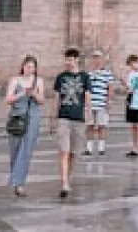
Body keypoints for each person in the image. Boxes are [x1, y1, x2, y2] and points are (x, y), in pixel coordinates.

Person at [53, 48, 91, 199]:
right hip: (63, 117)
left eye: (70, 59)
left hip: (78, 118)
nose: (67, 62)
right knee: (64, 151)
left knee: (73, 153)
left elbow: (87, 97)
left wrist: (89, 115)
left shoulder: (85, 77)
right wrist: (53, 117)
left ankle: (68, 177)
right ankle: (64, 183)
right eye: (66, 59)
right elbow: (57, 98)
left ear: (76, 60)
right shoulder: (60, 77)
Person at [4, 55, 44, 198]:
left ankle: (19, 183)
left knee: (26, 150)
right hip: (17, 117)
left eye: (33, 67)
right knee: (15, 150)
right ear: (23, 66)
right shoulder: (15, 80)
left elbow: (42, 101)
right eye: (28, 66)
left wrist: (34, 94)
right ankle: (16, 180)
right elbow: (8, 99)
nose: (30, 69)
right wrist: (21, 93)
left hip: (32, 117)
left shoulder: (39, 81)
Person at [84, 50, 115, 157]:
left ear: (102, 59)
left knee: (102, 126)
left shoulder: (107, 74)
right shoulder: (88, 74)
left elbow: (110, 88)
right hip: (90, 104)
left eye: (97, 57)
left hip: (102, 103)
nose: (96, 60)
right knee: (89, 126)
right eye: (94, 57)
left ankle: (101, 148)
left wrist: (108, 101)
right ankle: (89, 148)